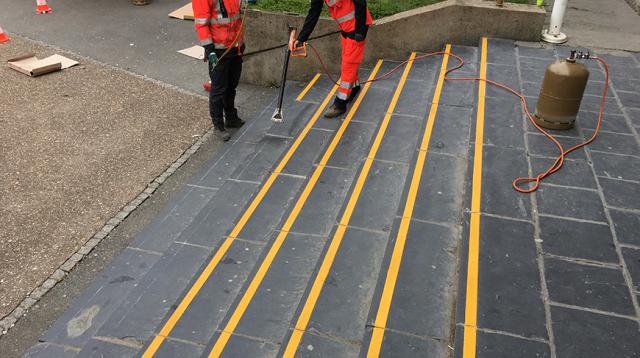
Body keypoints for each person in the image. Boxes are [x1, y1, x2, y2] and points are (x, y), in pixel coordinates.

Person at [290, 0, 372, 118]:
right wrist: (302, 38)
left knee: (348, 64)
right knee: (347, 60)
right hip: (346, 27)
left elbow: (360, 2)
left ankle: (340, 104)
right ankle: (354, 87)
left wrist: (360, 30)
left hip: (358, 26)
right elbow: (314, 12)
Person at [193, 0, 246, 141]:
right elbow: (201, 23)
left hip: (235, 46)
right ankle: (218, 126)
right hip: (218, 51)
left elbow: (237, 13)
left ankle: (231, 117)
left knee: (231, 86)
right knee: (218, 89)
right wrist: (209, 49)